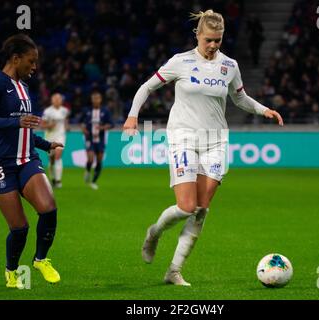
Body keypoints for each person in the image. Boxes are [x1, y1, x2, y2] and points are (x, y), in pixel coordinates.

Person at [123, 10, 283, 286]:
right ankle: (155, 233)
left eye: (218, 41)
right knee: (186, 206)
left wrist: (263, 109)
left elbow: (240, 97)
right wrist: (132, 116)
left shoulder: (229, 66)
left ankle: (174, 270)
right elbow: (146, 87)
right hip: (183, 136)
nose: (213, 46)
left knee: (201, 208)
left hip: (216, 141)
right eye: (209, 40)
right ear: (197, 35)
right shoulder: (180, 61)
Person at [0, 34, 62, 289]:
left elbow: (25, 128)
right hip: (0, 164)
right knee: (20, 228)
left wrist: (47, 145)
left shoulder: (24, 88)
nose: (34, 67)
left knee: (48, 209)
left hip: (27, 159)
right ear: (16, 59)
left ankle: (40, 259)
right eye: (31, 61)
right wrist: (15, 121)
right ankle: (11, 270)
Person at [81, 90, 114, 190]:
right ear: (91, 100)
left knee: (99, 161)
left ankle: (93, 181)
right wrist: (83, 129)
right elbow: (81, 122)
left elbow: (112, 124)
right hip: (89, 139)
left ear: (100, 100)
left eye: (97, 98)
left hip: (100, 139)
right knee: (90, 159)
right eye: (94, 99)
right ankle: (87, 170)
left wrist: (103, 127)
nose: (95, 100)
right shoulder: (87, 111)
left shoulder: (105, 111)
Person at [41, 93, 70, 188]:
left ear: (61, 100)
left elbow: (65, 122)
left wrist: (67, 127)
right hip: (49, 137)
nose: (57, 100)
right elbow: (42, 125)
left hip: (60, 136)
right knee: (51, 159)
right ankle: (53, 178)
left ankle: (58, 181)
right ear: (52, 100)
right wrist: (49, 126)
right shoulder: (48, 111)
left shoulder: (64, 111)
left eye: (59, 99)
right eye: (55, 99)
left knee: (58, 156)